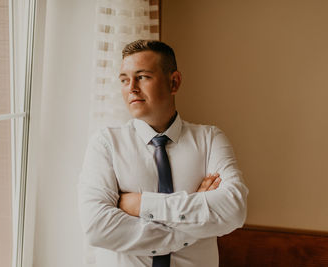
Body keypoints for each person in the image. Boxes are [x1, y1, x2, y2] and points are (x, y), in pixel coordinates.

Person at [78, 40, 248, 267]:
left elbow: (234, 209)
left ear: (174, 82)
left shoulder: (210, 139)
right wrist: (190, 226)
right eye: (124, 80)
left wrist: (142, 206)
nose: (132, 88)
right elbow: (97, 227)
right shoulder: (106, 144)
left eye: (143, 77)